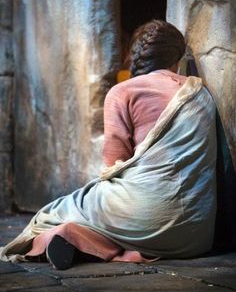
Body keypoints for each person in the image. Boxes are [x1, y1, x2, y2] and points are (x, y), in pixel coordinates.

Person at [0, 20, 217, 270]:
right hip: (195, 235)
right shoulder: (200, 94)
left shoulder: (123, 92)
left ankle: (66, 237)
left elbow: (113, 164)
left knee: (52, 213)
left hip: (145, 218)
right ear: (177, 59)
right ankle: (76, 238)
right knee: (119, 220)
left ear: (136, 57)